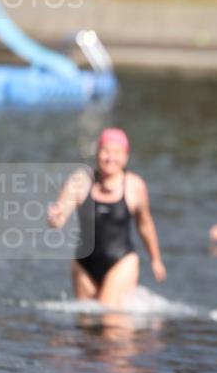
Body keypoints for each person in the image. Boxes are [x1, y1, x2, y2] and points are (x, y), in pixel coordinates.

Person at [48, 128, 166, 309]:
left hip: (121, 262)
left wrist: (155, 259)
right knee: (86, 323)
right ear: (97, 153)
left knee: (108, 318)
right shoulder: (80, 180)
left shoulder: (134, 186)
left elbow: (145, 225)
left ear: (126, 157)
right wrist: (54, 218)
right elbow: (60, 216)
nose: (110, 158)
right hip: (84, 264)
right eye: (105, 151)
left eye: (117, 153)